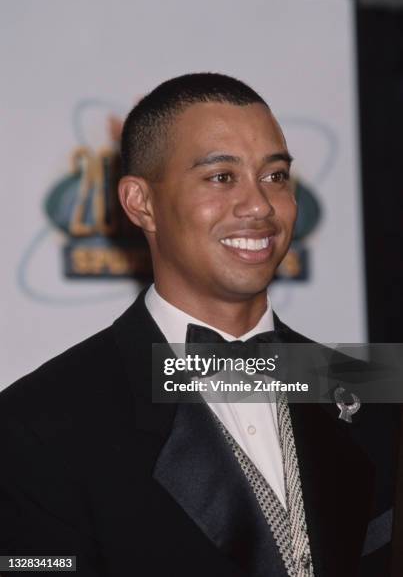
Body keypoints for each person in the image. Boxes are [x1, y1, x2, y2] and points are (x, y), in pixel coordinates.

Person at [0, 73, 398, 577]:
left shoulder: (371, 391)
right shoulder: (38, 424)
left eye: (275, 176)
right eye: (221, 177)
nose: (260, 206)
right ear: (141, 203)